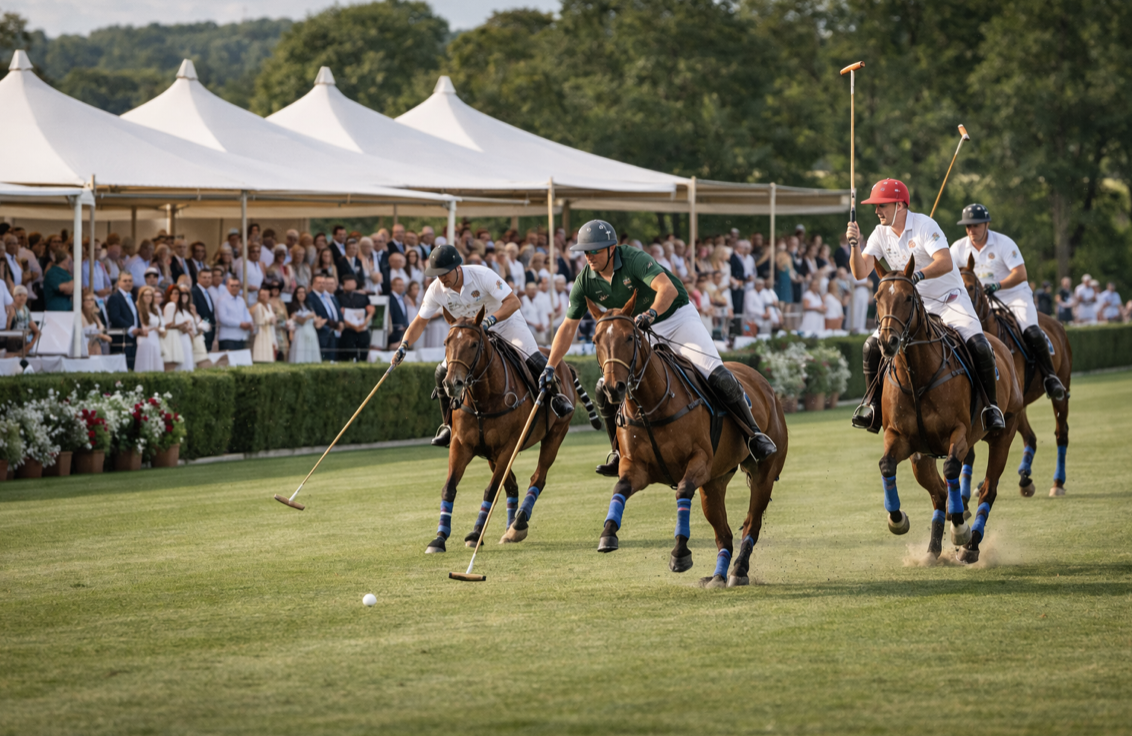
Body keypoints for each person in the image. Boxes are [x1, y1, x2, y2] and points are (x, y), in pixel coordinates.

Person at [545, 220, 776, 475]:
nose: (589, 257)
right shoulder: (584, 281)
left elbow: (664, 288)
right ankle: (618, 452)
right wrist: (550, 366)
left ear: (612, 248)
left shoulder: (633, 259)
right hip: (640, 332)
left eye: (595, 250)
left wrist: (652, 313)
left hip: (676, 318)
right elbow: (568, 327)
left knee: (716, 373)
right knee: (604, 389)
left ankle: (754, 434)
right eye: (585, 252)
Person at [847, 179, 1005, 432]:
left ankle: (990, 407)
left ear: (899, 205)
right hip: (912, 304)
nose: (877, 211)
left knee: (978, 343)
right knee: (870, 347)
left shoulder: (924, 225)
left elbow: (944, 262)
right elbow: (860, 272)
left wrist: (917, 276)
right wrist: (854, 245)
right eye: (875, 206)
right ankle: (873, 406)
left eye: (882, 205)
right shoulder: (879, 233)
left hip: (948, 298)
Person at [392, 244, 568, 448]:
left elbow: (513, 302)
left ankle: (557, 399)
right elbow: (419, 321)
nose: (441, 278)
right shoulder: (436, 290)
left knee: (534, 359)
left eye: (444, 273)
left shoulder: (482, 275)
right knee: (442, 373)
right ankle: (448, 425)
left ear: (457, 267)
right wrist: (403, 345)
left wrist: (490, 320)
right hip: (472, 336)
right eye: (436, 274)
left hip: (505, 323)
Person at [951, 203, 1066, 400]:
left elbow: (1021, 274)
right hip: (980, 302)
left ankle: (1050, 377)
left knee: (1030, 329)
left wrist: (997, 286)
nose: (971, 230)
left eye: (976, 225)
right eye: (968, 226)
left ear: (987, 224)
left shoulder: (1003, 243)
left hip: (1013, 296)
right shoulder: (958, 248)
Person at [337, 273, 373, 363]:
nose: (350, 284)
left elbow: (370, 311)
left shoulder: (363, 297)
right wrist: (352, 325)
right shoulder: (339, 297)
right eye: (347, 283)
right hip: (348, 329)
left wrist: (365, 322)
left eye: (352, 282)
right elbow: (339, 313)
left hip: (362, 328)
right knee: (349, 354)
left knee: (364, 353)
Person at [308, 274, 342, 361]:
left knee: (332, 360)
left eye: (323, 282)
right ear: (312, 284)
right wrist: (330, 323)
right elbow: (315, 315)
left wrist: (341, 322)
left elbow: (337, 312)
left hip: (333, 333)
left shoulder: (329, 297)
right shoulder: (310, 297)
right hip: (320, 333)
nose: (322, 284)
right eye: (319, 282)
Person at [133, 286, 165, 372]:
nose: (148, 297)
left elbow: (161, 324)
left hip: (156, 339)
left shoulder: (155, 309)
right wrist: (154, 328)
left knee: (157, 363)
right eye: (145, 295)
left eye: (150, 295)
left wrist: (159, 329)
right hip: (145, 338)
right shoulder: (138, 308)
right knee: (146, 364)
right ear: (141, 296)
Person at [163, 285, 195, 371]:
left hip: (185, 338)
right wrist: (183, 325)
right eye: (174, 294)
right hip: (178, 338)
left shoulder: (181, 308)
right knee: (181, 366)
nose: (177, 296)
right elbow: (167, 325)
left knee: (187, 363)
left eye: (178, 294)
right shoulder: (171, 305)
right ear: (169, 295)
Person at [287, 285, 323, 363]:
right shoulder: (292, 306)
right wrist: (309, 316)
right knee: (301, 353)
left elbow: (316, 322)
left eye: (303, 292)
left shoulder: (309, 306)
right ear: (295, 294)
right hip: (300, 332)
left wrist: (319, 321)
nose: (301, 294)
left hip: (311, 331)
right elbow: (300, 321)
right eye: (299, 292)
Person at [217, 276, 253, 351]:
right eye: (232, 286)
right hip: (228, 338)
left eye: (237, 286)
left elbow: (246, 314)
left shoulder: (241, 300)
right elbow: (223, 318)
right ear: (227, 286)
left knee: (242, 362)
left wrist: (250, 323)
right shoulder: (222, 300)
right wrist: (240, 324)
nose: (235, 288)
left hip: (241, 337)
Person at [5, 285, 40, 356]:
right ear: (14, 296)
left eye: (25, 295)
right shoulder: (11, 309)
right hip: (13, 342)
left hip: (24, 341)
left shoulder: (26, 310)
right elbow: (7, 327)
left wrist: (30, 345)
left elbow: (37, 331)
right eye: (19, 295)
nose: (22, 297)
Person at [251, 287, 278, 363]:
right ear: (259, 296)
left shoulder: (269, 306)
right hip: (262, 333)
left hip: (270, 332)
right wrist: (270, 320)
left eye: (266, 295)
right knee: (263, 353)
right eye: (262, 295)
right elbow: (259, 321)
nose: (264, 296)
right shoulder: (258, 306)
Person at [192, 268, 217, 351]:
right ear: (198, 278)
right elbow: (195, 312)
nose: (207, 280)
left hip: (209, 328)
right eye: (204, 277)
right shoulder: (194, 291)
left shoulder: (206, 292)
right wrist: (203, 327)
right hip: (201, 329)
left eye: (209, 277)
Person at [81, 291, 112, 357]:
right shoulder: (80, 315)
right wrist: (101, 336)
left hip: (96, 346)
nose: (89, 302)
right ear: (82, 301)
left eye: (91, 299)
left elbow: (102, 331)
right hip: (84, 348)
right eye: (86, 299)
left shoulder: (95, 316)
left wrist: (102, 336)